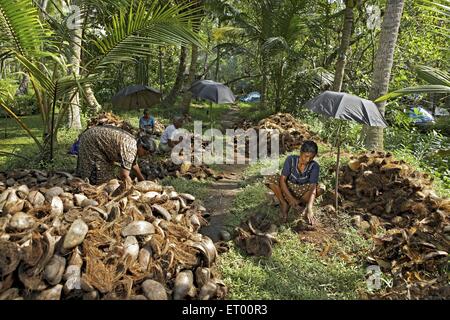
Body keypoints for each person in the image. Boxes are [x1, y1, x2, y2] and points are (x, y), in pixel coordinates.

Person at [265, 140, 325, 225]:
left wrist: (310, 208)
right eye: (306, 156)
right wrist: (291, 199)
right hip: (289, 188)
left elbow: (312, 187)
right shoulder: (291, 160)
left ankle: (301, 204)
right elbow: (282, 180)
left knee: (321, 188)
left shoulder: (315, 166)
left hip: (303, 192)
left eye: (311, 157)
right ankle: (284, 203)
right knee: (270, 175)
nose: (308, 160)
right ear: (300, 152)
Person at [76, 125, 155, 188]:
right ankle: (83, 182)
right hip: (92, 141)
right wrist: (133, 189)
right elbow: (124, 175)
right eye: (145, 153)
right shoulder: (130, 148)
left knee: (108, 177)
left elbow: (133, 164)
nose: (144, 156)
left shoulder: (135, 143)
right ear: (141, 146)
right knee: (98, 180)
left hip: (98, 139)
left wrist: (143, 180)